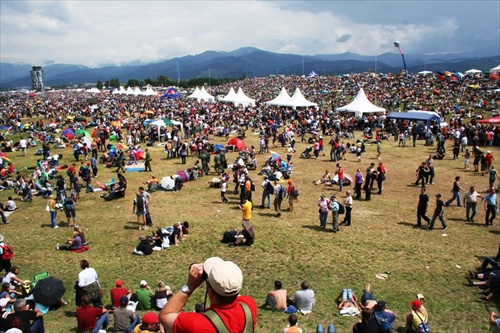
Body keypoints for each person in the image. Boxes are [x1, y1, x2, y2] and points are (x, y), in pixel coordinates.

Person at [159, 256, 257, 333]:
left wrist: (190, 286)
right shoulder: (249, 306)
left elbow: (165, 315)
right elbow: (231, 290)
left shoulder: (197, 325)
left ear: (210, 292)